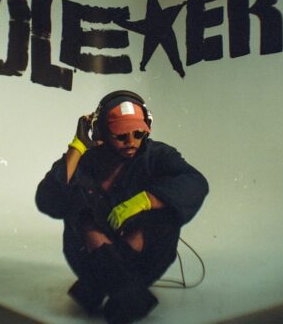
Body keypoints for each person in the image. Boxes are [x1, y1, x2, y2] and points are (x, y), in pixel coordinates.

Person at [35, 90, 209, 324]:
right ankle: (129, 296)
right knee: (78, 203)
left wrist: (148, 199)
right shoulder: (85, 159)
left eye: (138, 134)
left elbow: (196, 182)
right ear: (101, 132)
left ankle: (94, 287)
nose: (131, 142)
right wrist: (77, 147)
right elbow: (47, 199)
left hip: (142, 260)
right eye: (120, 136)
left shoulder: (157, 155)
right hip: (88, 254)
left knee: (167, 212)